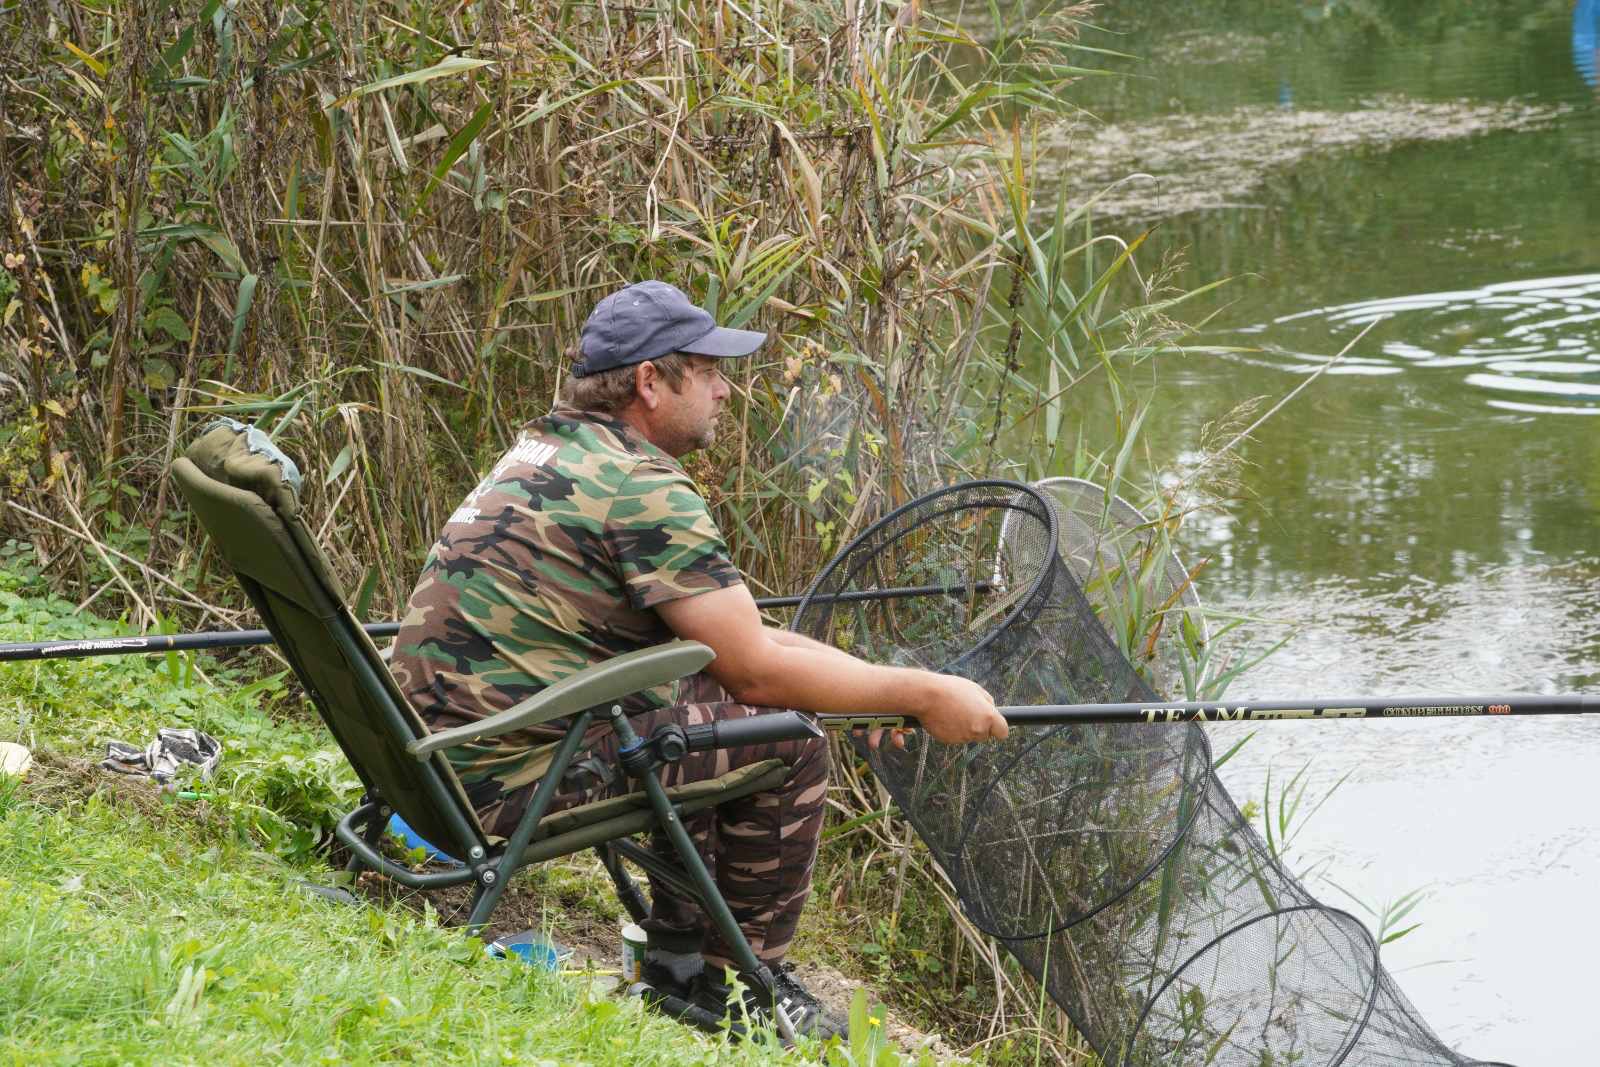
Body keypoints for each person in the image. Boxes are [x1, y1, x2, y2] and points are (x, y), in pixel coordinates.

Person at [390, 281, 1007, 1037]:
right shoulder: (640, 485)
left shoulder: (544, 451)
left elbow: (731, 647)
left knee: (708, 700)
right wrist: (927, 694)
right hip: (505, 786)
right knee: (788, 736)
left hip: (432, 762)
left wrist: (898, 691)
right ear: (651, 381)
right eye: (709, 370)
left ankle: (679, 959)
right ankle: (742, 987)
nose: (725, 390)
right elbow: (755, 671)